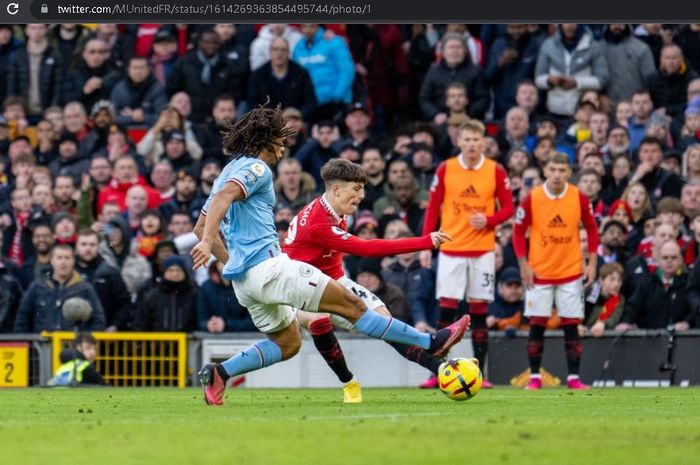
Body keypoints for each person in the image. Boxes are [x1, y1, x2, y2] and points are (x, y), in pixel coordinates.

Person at [191, 105, 469, 406]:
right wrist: (209, 243)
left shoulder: (225, 173)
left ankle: (220, 372)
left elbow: (200, 223)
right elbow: (214, 213)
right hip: (270, 269)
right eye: (281, 142)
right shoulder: (257, 168)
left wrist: (229, 260)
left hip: (245, 284)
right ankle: (432, 342)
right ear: (266, 140)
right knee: (353, 306)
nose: (283, 149)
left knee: (288, 343)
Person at [282, 159, 454, 402]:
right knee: (317, 319)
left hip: (333, 280)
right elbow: (367, 248)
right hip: (296, 289)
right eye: (356, 189)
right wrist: (426, 240)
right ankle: (349, 384)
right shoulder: (319, 222)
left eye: (362, 189)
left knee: (385, 322)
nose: (362, 196)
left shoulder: (334, 209)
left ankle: (441, 369)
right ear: (337, 189)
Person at [420, 119, 514, 388]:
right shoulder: (446, 169)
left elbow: (508, 208)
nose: (472, 144)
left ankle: (480, 373)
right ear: (458, 141)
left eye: (476, 140)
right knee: (446, 310)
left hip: (482, 251)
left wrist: (489, 220)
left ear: (483, 142)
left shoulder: (495, 171)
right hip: (451, 249)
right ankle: (436, 371)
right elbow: (432, 208)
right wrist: (427, 243)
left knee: (479, 311)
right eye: (467, 139)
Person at [513, 152, 600, 390]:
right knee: (537, 324)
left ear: (569, 173)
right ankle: (534, 377)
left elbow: (592, 230)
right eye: (553, 170)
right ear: (545, 171)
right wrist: (523, 264)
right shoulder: (532, 198)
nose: (557, 175)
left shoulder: (579, 197)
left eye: (562, 171)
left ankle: (573, 378)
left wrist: (592, 263)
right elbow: (518, 232)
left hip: (570, 270)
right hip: (539, 273)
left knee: (571, 324)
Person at [14, 245, 105, 333]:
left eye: (67, 258)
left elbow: (98, 321)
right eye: (59, 258)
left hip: (73, 346)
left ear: (73, 261)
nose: (63, 262)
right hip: (41, 346)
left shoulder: (85, 289)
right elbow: (22, 318)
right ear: (51, 260)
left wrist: (84, 342)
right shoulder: (37, 287)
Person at [617, 241, 694, 331]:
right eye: (665, 258)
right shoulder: (646, 283)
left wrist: (687, 322)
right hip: (651, 342)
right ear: (658, 261)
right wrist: (626, 322)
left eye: (674, 257)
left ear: (680, 260)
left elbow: (695, 309)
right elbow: (632, 307)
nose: (669, 261)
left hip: (684, 340)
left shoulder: (689, 283)